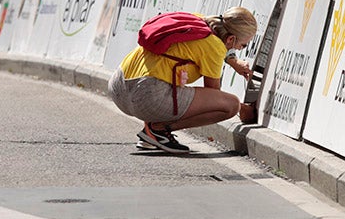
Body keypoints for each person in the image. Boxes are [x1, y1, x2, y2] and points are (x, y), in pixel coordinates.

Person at [107, 8, 257, 153]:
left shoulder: (199, 20)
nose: (239, 49)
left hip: (119, 86)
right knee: (231, 105)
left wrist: (232, 61)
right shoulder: (215, 47)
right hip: (146, 97)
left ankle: (152, 134)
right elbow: (214, 96)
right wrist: (244, 110)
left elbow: (212, 45)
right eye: (242, 45)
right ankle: (158, 130)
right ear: (231, 39)